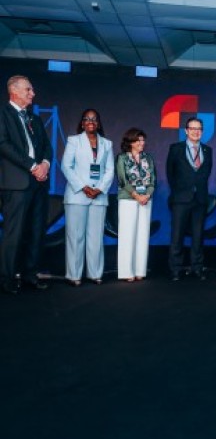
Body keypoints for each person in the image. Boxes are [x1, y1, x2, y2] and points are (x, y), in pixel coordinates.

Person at [0, 75, 52, 295]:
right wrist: (32, 166)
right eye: (28, 90)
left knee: (36, 231)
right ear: (14, 91)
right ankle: (7, 279)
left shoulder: (34, 118)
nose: (33, 94)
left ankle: (30, 275)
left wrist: (45, 165)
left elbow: (47, 147)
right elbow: (4, 144)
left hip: (38, 184)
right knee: (14, 233)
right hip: (16, 184)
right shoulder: (3, 114)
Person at [61, 109, 114, 286]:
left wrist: (99, 189)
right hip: (77, 195)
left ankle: (95, 274)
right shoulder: (74, 141)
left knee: (96, 237)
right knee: (75, 237)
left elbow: (110, 170)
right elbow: (66, 166)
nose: (91, 121)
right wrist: (83, 187)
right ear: (82, 123)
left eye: (94, 119)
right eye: (87, 119)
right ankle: (74, 275)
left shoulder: (107, 144)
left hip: (99, 197)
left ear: (98, 123)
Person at [166, 116, 213, 281]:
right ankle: (176, 269)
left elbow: (206, 173)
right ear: (186, 131)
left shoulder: (207, 150)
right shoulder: (176, 148)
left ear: (202, 132)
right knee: (177, 235)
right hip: (181, 199)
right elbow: (170, 173)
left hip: (200, 199)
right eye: (192, 129)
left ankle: (197, 267)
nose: (195, 132)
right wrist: (179, 191)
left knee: (198, 236)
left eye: (198, 129)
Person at [116, 128, 156, 282]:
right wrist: (136, 195)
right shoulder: (122, 158)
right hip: (128, 199)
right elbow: (122, 180)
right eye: (138, 140)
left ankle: (140, 270)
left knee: (143, 235)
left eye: (143, 140)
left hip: (146, 199)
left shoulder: (148, 158)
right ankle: (127, 272)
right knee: (127, 235)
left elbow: (153, 180)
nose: (142, 143)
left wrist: (147, 195)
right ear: (130, 142)